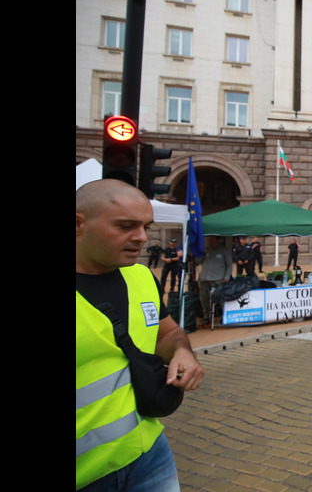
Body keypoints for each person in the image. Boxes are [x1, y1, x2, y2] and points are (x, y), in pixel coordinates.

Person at [76, 179, 205, 491]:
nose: (142, 238)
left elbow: (168, 332)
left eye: (146, 226)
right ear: (78, 224)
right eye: (125, 226)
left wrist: (182, 352)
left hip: (149, 452)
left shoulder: (141, 275)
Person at [197, 236, 233, 325]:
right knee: (204, 299)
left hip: (218, 278)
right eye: (209, 240)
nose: (209, 242)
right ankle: (207, 317)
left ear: (217, 240)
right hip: (204, 278)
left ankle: (224, 316)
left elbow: (229, 265)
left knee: (221, 299)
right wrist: (202, 253)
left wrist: (227, 277)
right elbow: (197, 262)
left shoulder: (225, 250)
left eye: (211, 240)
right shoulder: (207, 250)